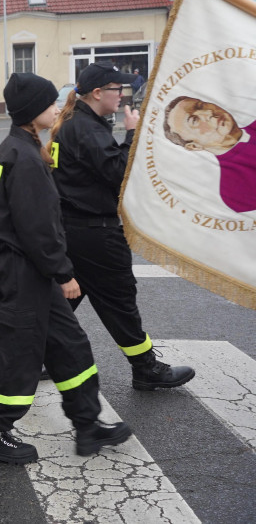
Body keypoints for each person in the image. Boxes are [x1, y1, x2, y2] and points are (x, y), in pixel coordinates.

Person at [0, 72, 131, 464]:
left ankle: (87, 424)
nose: (57, 108)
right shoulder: (23, 157)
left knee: (70, 346)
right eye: (50, 104)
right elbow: (37, 227)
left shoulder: (18, 149)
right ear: (31, 112)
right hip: (25, 270)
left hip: (31, 270)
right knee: (16, 354)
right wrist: (63, 272)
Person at [49, 63, 195, 389]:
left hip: (76, 231)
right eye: (118, 89)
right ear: (98, 93)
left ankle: (40, 357)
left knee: (62, 303)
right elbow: (119, 173)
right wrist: (132, 133)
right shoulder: (85, 129)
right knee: (119, 300)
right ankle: (145, 369)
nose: (122, 95)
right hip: (95, 233)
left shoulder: (77, 123)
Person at [164, 95, 256, 213]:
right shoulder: (233, 191)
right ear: (193, 146)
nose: (208, 112)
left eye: (201, 105)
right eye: (194, 120)